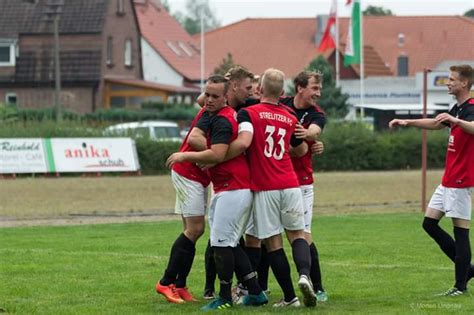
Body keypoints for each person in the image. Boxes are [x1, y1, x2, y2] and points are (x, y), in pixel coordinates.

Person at [166, 75, 268, 311]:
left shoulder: (222, 121)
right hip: (233, 187)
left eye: (214, 96)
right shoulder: (219, 115)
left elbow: (217, 154)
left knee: (221, 244)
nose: (208, 100)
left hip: (232, 187)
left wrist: (185, 155)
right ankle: (255, 292)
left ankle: (224, 297)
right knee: (230, 244)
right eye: (207, 95)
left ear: (226, 97)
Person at [226, 68, 317, 308]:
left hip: (265, 186)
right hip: (291, 183)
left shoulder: (248, 113)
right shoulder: (290, 116)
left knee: (273, 243)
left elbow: (242, 142)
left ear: (259, 89)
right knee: (298, 235)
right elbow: (300, 150)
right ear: (283, 92)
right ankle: (305, 276)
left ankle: (290, 297)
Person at [389, 64, 474, 296]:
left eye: (451, 79)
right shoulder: (457, 108)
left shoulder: (471, 108)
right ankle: (467, 269)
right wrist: (408, 122)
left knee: (461, 232)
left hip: (460, 181)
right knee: (429, 223)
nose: (448, 82)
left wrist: (456, 122)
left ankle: (460, 285)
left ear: (464, 83)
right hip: (448, 180)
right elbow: (437, 123)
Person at [155, 99, 211, 305]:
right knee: (195, 229)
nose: (251, 91)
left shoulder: (222, 107)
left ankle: (179, 285)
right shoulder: (213, 109)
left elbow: (201, 98)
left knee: (192, 232)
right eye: (248, 87)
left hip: (198, 176)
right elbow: (196, 137)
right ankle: (165, 282)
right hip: (188, 174)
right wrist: (220, 153)